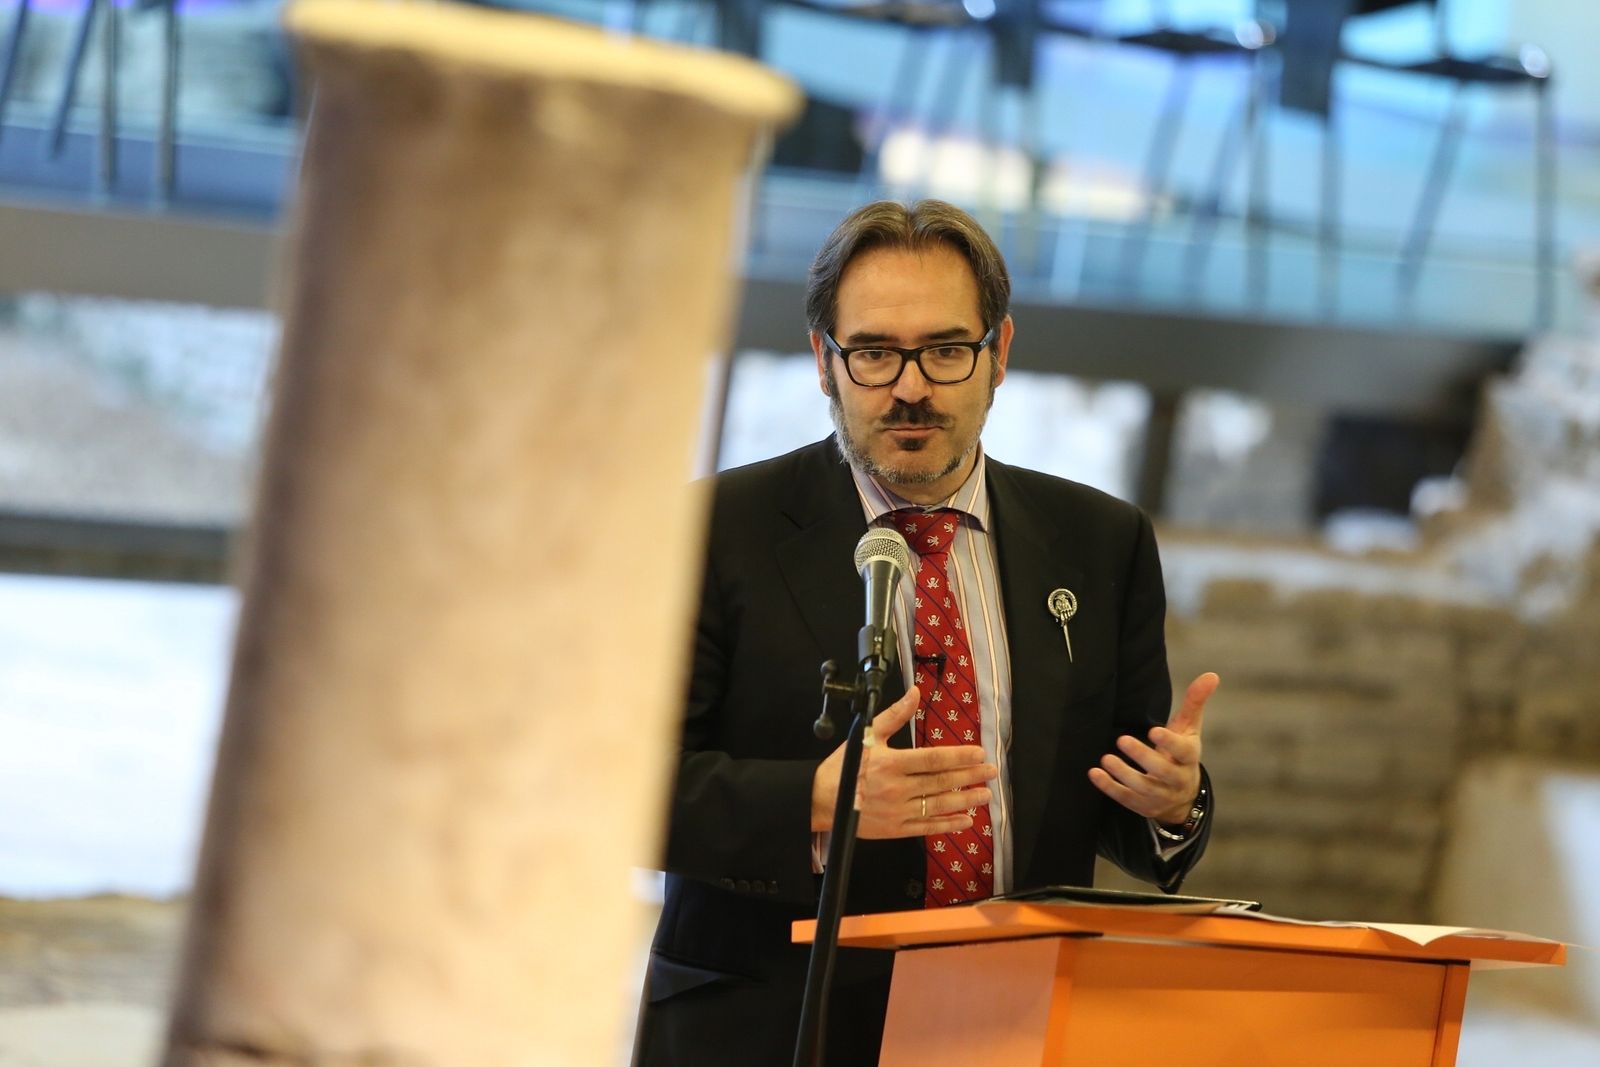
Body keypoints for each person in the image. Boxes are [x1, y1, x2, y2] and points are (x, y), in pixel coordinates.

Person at [634, 200, 1219, 1066]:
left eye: (946, 350)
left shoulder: (1102, 540)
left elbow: (1119, 807)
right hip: (768, 1024)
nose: (912, 386)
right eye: (874, 352)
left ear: (1000, 355)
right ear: (825, 364)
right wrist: (814, 801)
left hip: (1012, 1025)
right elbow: (618, 788)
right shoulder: (716, 529)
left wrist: (1173, 804)